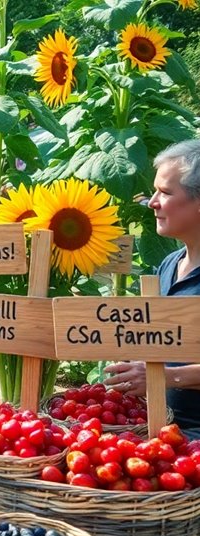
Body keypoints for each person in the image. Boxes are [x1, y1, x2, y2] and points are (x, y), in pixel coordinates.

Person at [103, 140, 200, 434]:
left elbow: (162, 371)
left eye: (166, 193)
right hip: (158, 425)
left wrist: (162, 377)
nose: (152, 201)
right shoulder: (169, 264)